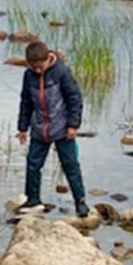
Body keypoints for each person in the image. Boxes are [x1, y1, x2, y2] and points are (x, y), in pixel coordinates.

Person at [17, 40, 89, 218]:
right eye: (34, 67)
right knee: (33, 165)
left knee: (70, 165)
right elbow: (26, 102)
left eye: (40, 66)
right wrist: (22, 128)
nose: (38, 71)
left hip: (63, 128)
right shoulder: (28, 76)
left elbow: (75, 99)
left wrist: (73, 125)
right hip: (40, 129)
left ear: (48, 59)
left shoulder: (61, 72)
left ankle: (80, 201)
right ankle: (33, 199)